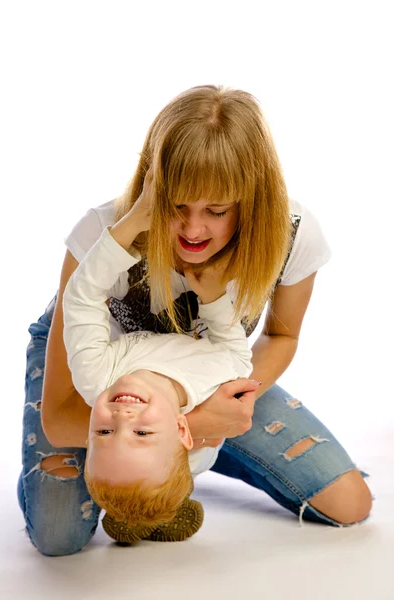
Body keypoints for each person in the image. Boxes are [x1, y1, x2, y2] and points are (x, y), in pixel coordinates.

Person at [18, 84, 372, 557]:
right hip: (99, 376)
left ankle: (180, 466)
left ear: (252, 200)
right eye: (176, 206)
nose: (192, 229)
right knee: (59, 537)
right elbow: (62, 417)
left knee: (350, 503)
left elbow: (280, 337)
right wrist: (195, 422)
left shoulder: (292, 234)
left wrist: (224, 407)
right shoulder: (104, 235)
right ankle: (164, 460)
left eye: (216, 211)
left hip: (206, 373)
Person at [62, 202, 253, 531]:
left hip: (171, 453)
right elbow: (237, 352)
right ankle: (162, 507)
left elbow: (83, 297)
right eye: (141, 432)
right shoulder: (211, 378)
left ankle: (131, 513)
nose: (122, 419)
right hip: (201, 453)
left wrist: (130, 225)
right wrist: (213, 298)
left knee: (142, 479)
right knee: (175, 473)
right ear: (183, 429)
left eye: (103, 432)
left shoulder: (95, 378)